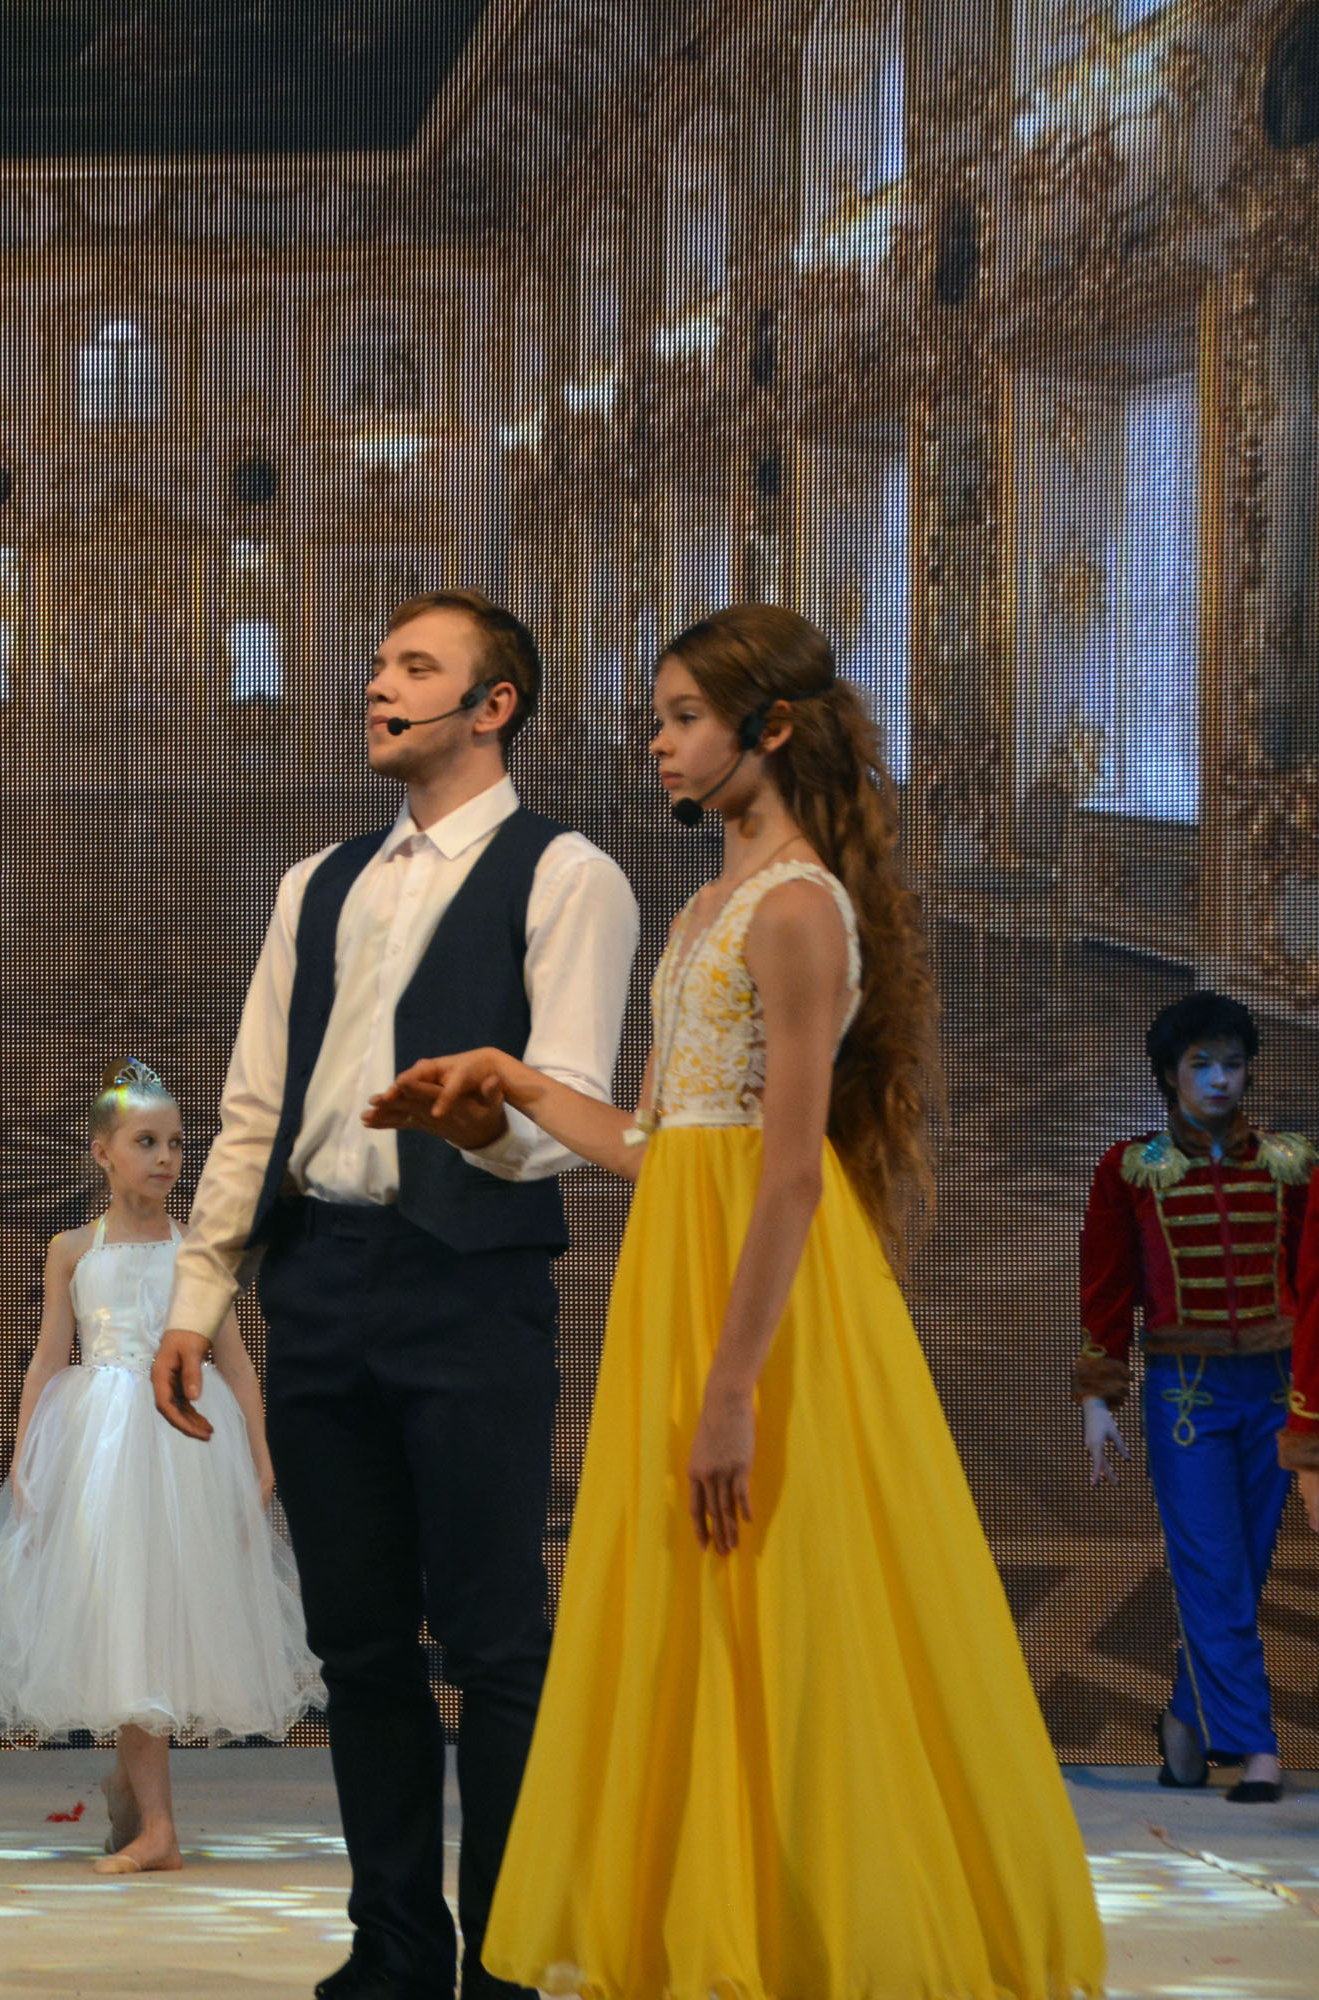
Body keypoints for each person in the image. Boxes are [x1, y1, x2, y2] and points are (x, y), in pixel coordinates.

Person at [370, 604, 1103, 1998]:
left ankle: (813, 1941)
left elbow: (790, 1173)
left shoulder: (796, 908)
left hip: (765, 1313)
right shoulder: (709, 904)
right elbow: (661, 1144)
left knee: (795, 1598)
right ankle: (717, 1932)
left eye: (683, 718)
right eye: (659, 717)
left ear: (768, 729)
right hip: (679, 1282)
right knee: (699, 1608)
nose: (658, 743)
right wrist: (511, 1082)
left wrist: (730, 1386)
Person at [152, 590, 638, 2000]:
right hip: (321, 1283)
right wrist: (199, 1297)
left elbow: (573, 1108)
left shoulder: (568, 875)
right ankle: (394, 1948)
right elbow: (255, 1107)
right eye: (376, 664)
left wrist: (481, 1126)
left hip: (470, 1285)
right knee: (357, 1646)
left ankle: (506, 1963)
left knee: (493, 1643)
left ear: (494, 707)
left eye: (416, 667)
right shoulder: (319, 882)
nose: (378, 686)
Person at [0, 1060, 322, 1875]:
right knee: (122, 1618)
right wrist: (26, 1454)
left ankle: (151, 1817)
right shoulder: (73, 1250)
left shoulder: (199, 1251)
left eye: (176, 1143)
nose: (166, 1158)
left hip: (188, 1447)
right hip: (105, 1448)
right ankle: (147, 1814)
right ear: (102, 1153)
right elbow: (49, 1358)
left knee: (164, 1617)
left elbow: (235, 1362)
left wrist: (261, 1458)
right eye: (146, 1142)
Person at [1080, 990, 1304, 1803]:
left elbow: (1311, 1288)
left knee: (1240, 1571)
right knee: (1210, 1565)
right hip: (1187, 1398)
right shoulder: (1131, 1170)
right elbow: (1108, 1286)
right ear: (1169, 1074)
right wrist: (1098, 1399)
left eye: (1232, 1065)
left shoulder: (1289, 1165)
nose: (1218, 1080)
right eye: (1201, 1065)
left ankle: (1183, 1722)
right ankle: (1257, 1747)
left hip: (1273, 1391)